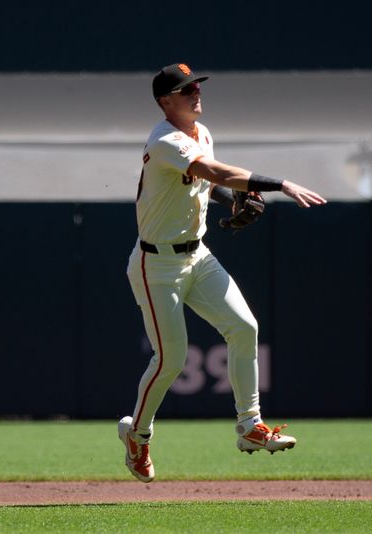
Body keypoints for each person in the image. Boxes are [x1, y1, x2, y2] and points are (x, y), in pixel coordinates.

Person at [118, 63, 326, 483]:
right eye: (184, 89)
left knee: (244, 325)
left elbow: (207, 183)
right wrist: (279, 184)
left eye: (195, 85)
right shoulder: (165, 141)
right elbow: (212, 171)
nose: (195, 92)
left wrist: (232, 198)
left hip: (198, 255)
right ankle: (137, 435)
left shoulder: (202, 133)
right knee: (171, 359)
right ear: (165, 101)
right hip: (156, 265)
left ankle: (250, 426)